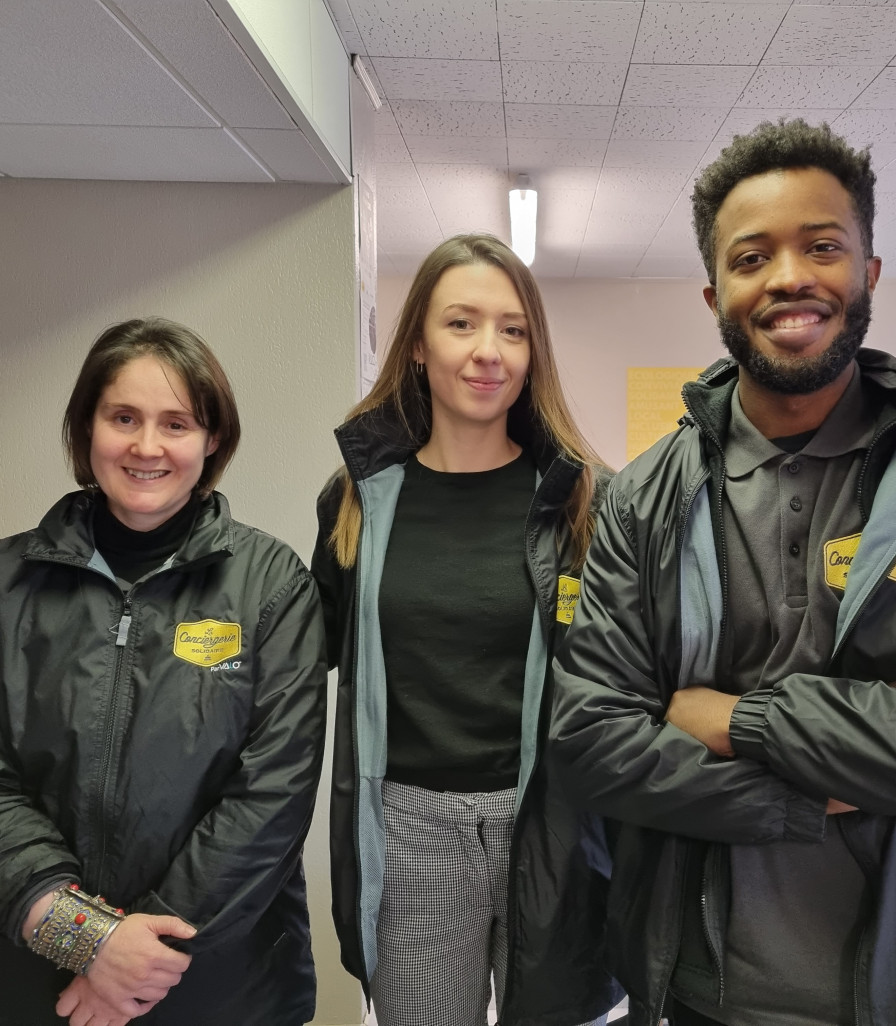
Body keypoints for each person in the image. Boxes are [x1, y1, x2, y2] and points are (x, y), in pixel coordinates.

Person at [549, 119, 896, 1026]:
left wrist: (742, 719)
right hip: (712, 991)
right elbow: (593, 743)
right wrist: (842, 787)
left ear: (869, 271)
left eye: (822, 247)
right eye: (752, 256)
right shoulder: (643, 499)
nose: (789, 278)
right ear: (715, 291)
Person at [0, 318, 327, 1026]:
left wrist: (139, 962)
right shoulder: (7, 581)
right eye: (123, 418)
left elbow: (272, 794)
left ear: (213, 438)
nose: (146, 446)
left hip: (216, 986)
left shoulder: (271, 585)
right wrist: (87, 939)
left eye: (177, 423)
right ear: (86, 427)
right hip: (21, 976)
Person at [312, 234, 620, 1026]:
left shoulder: (586, 501)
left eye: (513, 330)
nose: (489, 352)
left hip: (551, 823)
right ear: (416, 343)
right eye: (462, 324)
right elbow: (307, 660)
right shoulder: (357, 501)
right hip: (412, 833)